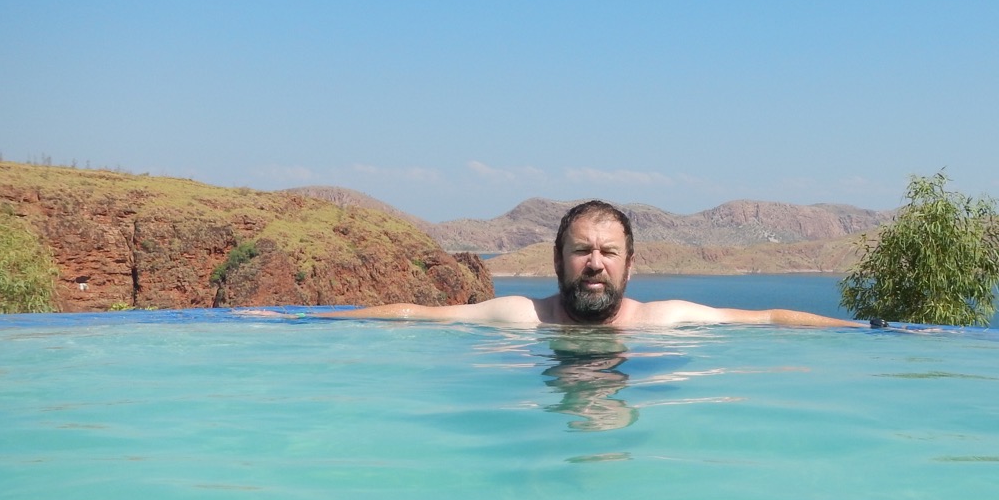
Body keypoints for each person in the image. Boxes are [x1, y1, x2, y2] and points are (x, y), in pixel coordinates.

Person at [318, 199, 862, 328]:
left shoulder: (661, 320)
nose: (595, 263)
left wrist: (869, 329)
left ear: (630, 264)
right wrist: (307, 318)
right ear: (558, 261)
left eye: (608, 252)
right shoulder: (522, 317)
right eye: (582, 251)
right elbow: (414, 314)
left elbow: (769, 318)